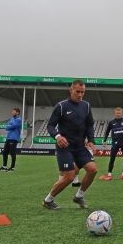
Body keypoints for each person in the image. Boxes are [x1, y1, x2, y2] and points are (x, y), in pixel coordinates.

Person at [42, 79, 97, 210]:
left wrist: (91, 140)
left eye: (82, 92)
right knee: (69, 177)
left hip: (80, 146)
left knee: (93, 170)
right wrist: (57, 136)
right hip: (65, 147)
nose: (80, 95)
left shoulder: (86, 106)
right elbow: (50, 125)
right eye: (77, 91)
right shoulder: (61, 106)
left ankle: (78, 196)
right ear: (71, 90)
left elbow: (89, 124)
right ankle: (48, 200)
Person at [103, 108, 123, 180]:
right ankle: (109, 175)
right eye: (117, 113)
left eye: (119, 113)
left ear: (121, 113)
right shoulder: (111, 122)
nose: (118, 114)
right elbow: (107, 132)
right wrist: (105, 140)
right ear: (115, 113)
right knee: (112, 159)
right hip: (115, 143)